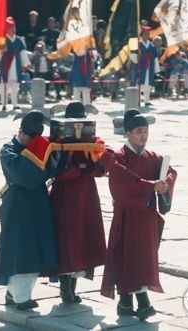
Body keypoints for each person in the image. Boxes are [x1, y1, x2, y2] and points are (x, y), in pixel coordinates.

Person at [101, 109, 177, 321]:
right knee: (128, 257)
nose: (143, 136)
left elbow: (170, 171)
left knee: (143, 259)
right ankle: (142, 303)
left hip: (147, 219)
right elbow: (123, 183)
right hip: (127, 216)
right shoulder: (119, 157)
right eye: (139, 132)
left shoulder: (151, 157)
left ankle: (126, 303)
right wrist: (152, 186)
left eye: (146, 131)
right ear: (128, 133)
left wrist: (164, 184)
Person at [0, 110, 59, 311]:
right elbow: (26, 177)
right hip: (17, 205)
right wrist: (39, 154)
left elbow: (53, 167)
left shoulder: (40, 146)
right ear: (20, 131)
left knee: (35, 249)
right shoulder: (8, 150)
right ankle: (20, 297)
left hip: (38, 202)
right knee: (19, 250)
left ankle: (16, 294)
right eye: (29, 137)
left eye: (36, 138)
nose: (31, 141)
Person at [49, 101, 110, 303]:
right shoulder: (57, 140)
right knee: (66, 239)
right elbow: (55, 171)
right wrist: (80, 169)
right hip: (65, 194)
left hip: (85, 195)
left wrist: (88, 166)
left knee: (82, 238)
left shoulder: (93, 140)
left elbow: (101, 168)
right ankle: (66, 287)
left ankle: (72, 287)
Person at [0, 17, 30, 111]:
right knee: (4, 85)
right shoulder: (2, 40)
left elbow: (22, 53)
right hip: (6, 65)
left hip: (16, 65)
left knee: (15, 85)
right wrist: (2, 51)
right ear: (7, 28)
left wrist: (25, 64)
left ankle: (15, 104)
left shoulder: (19, 40)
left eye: (14, 26)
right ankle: (3, 104)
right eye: (11, 27)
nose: (14, 29)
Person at [132, 26, 159, 106]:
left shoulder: (151, 45)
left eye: (148, 34)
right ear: (142, 34)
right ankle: (137, 100)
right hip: (140, 66)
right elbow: (133, 55)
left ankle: (147, 101)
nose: (146, 35)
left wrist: (156, 68)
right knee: (138, 83)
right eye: (145, 34)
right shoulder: (138, 45)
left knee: (148, 84)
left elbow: (155, 57)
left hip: (149, 66)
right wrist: (136, 58)